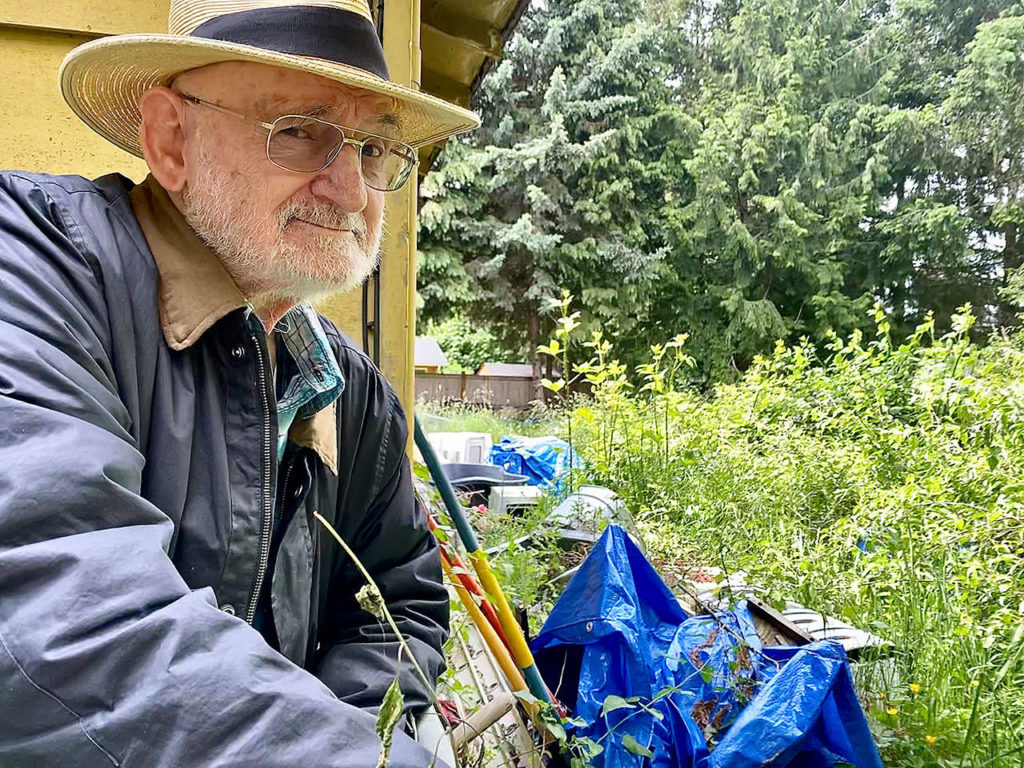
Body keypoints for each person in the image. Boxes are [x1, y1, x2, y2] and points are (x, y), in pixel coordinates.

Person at [0, 0, 479, 765]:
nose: (352, 192)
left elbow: (400, 602)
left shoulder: (352, 396)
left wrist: (359, 728)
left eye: (375, 149)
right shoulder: (34, 268)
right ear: (170, 138)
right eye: (299, 132)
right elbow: (57, 615)